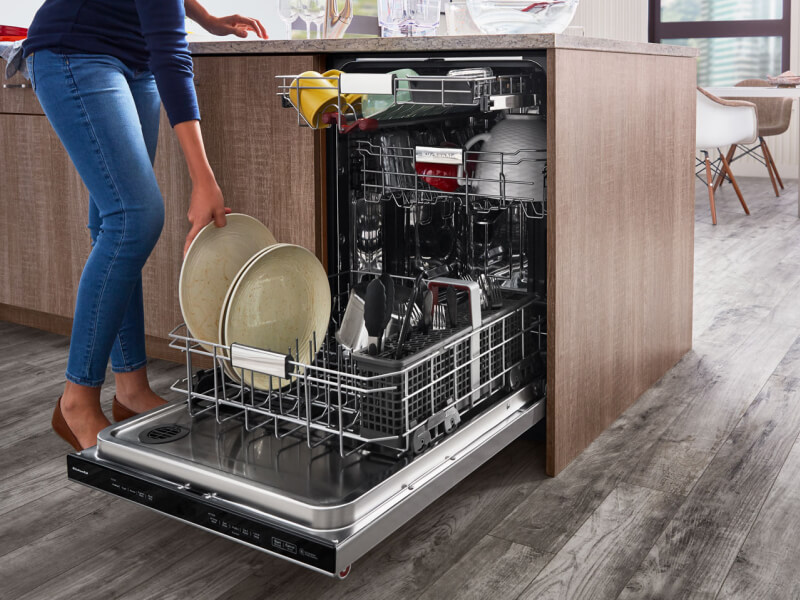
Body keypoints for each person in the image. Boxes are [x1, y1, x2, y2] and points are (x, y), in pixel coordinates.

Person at [22, 0, 267, 451]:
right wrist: (203, 179)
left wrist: (203, 17)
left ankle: (131, 390)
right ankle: (76, 400)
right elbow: (172, 53)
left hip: (133, 63)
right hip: (76, 51)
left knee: (115, 223)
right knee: (134, 218)